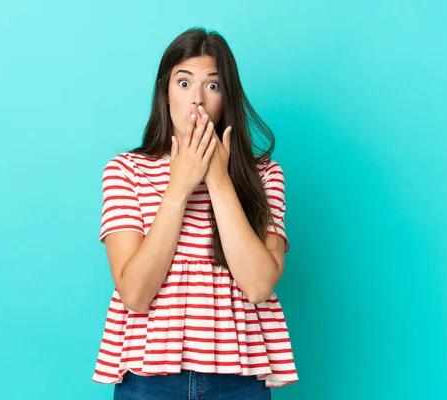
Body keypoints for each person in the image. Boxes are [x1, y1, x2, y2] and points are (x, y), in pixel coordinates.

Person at [92, 27, 298, 400]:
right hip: (149, 378)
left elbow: (259, 285)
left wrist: (218, 180)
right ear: (165, 92)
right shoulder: (126, 171)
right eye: (184, 83)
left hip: (240, 379)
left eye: (213, 86)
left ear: (226, 97)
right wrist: (179, 187)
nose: (197, 100)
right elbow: (136, 294)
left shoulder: (265, 175)